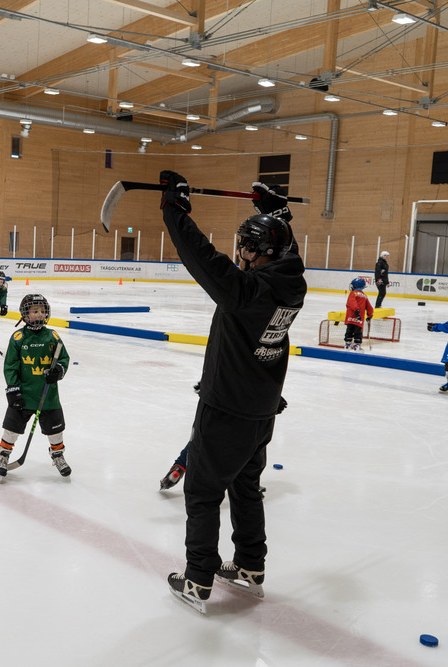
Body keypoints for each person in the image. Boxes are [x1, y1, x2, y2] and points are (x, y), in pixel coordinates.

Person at [158, 174, 306, 614]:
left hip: (226, 408)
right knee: (245, 486)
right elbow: (287, 248)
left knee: (203, 492)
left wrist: (174, 211)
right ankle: (249, 568)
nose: (239, 251)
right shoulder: (291, 281)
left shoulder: (245, 292)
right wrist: (276, 212)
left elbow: (202, 259)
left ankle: (198, 579)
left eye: (245, 244)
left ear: (256, 252)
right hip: (262, 411)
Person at [0, 294, 71, 481]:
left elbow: (63, 358)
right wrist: (13, 388)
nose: (39, 315)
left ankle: (58, 455)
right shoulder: (18, 337)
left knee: (55, 431)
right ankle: (3, 455)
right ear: (25, 314)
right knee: (12, 428)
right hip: (23, 394)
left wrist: (59, 370)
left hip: (48, 395)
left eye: (42, 311)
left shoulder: (52, 336)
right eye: (34, 311)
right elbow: (10, 365)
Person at [344, 277, 373, 351]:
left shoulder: (353, 293)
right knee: (358, 332)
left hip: (351, 317)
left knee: (349, 331)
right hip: (359, 320)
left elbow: (352, 302)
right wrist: (370, 315)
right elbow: (369, 307)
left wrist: (356, 312)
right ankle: (357, 346)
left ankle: (347, 345)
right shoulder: (364, 296)